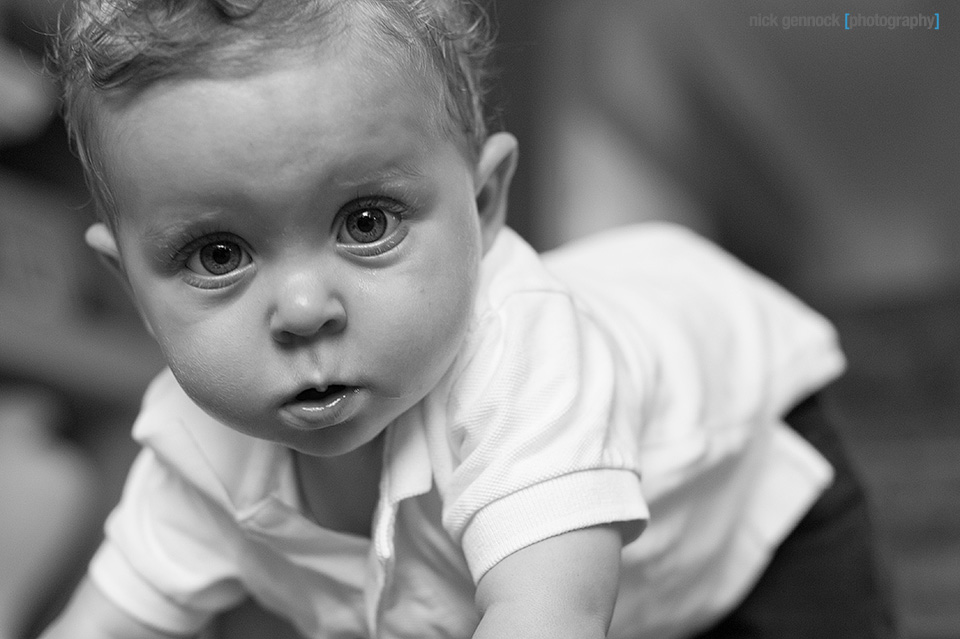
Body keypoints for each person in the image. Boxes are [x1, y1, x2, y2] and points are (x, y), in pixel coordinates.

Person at [41, 0, 896, 638]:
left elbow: (547, 615)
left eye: (366, 222)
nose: (303, 309)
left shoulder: (525, 366)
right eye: (218, 254)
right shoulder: (193, 447)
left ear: (484, 204)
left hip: (741, 499)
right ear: (130, 288)